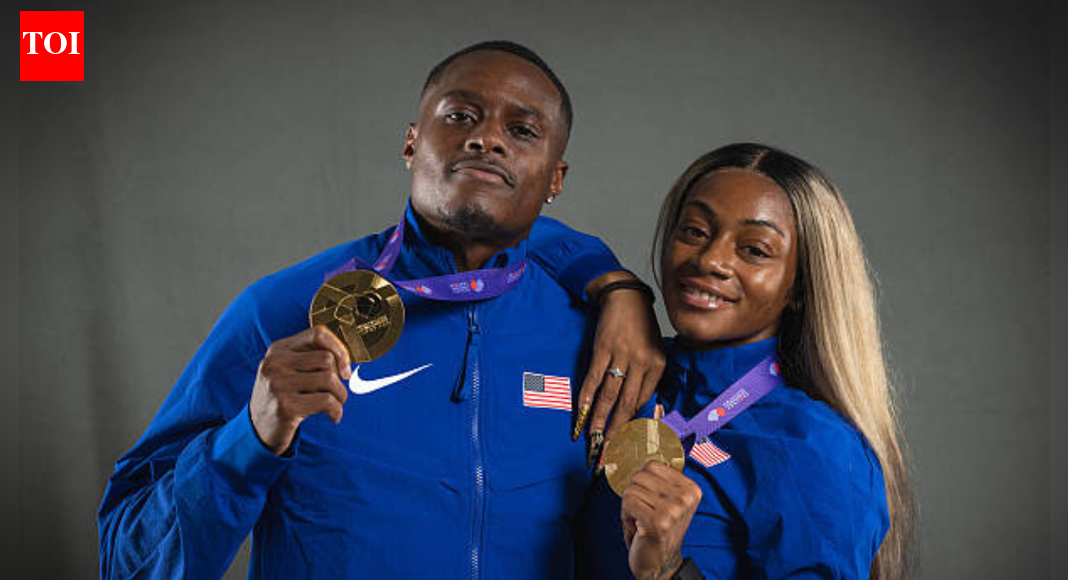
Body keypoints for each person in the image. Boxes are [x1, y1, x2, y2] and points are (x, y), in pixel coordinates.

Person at [97, 41, 666, 580]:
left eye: (520, 130)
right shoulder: (285, 311)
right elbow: (126, 564)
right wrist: (249, 439)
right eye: (461, 116)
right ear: (411, 143)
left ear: (555, 180)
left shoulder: (600, 345)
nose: (486, 139)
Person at [577, 143, 916, 580]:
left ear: (800, 287)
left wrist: (672, 570)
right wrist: (615, 285)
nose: (710, 260)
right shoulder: (624, 377)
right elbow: (508, 222)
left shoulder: (814, 446)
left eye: (755, 250)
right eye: (695, 231)